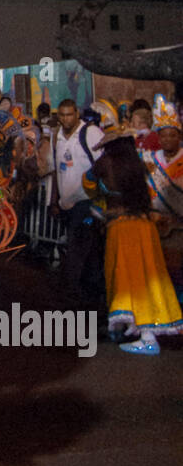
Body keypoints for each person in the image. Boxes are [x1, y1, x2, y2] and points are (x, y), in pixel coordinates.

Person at [85, 120, 182, 353]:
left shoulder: (105, 162)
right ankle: (140, 329)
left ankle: (147, 337)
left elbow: (87, 183)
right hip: (145, 226)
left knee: (129, 281)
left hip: (122, 229)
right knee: (151, 277)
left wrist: (100, 199)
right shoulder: (139, 164)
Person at [49, 97, 104, 303]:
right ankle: (91, 297)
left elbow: (103, 165)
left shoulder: (90, 134)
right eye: (62, 115)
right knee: (87, 254)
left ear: (77, 114)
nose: (66, 118)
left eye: (70, 114)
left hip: (87, 204)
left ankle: (81, 297)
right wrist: (54, 200)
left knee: (79, 252)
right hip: (67, 206)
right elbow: (56, 170)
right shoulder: (58, 137)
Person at [142, 95, 183, 296]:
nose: (167, 139)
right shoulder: (150, 161)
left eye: (172, 135)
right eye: (163, 136)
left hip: (179, 228)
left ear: (179, 137)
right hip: (154, 225)